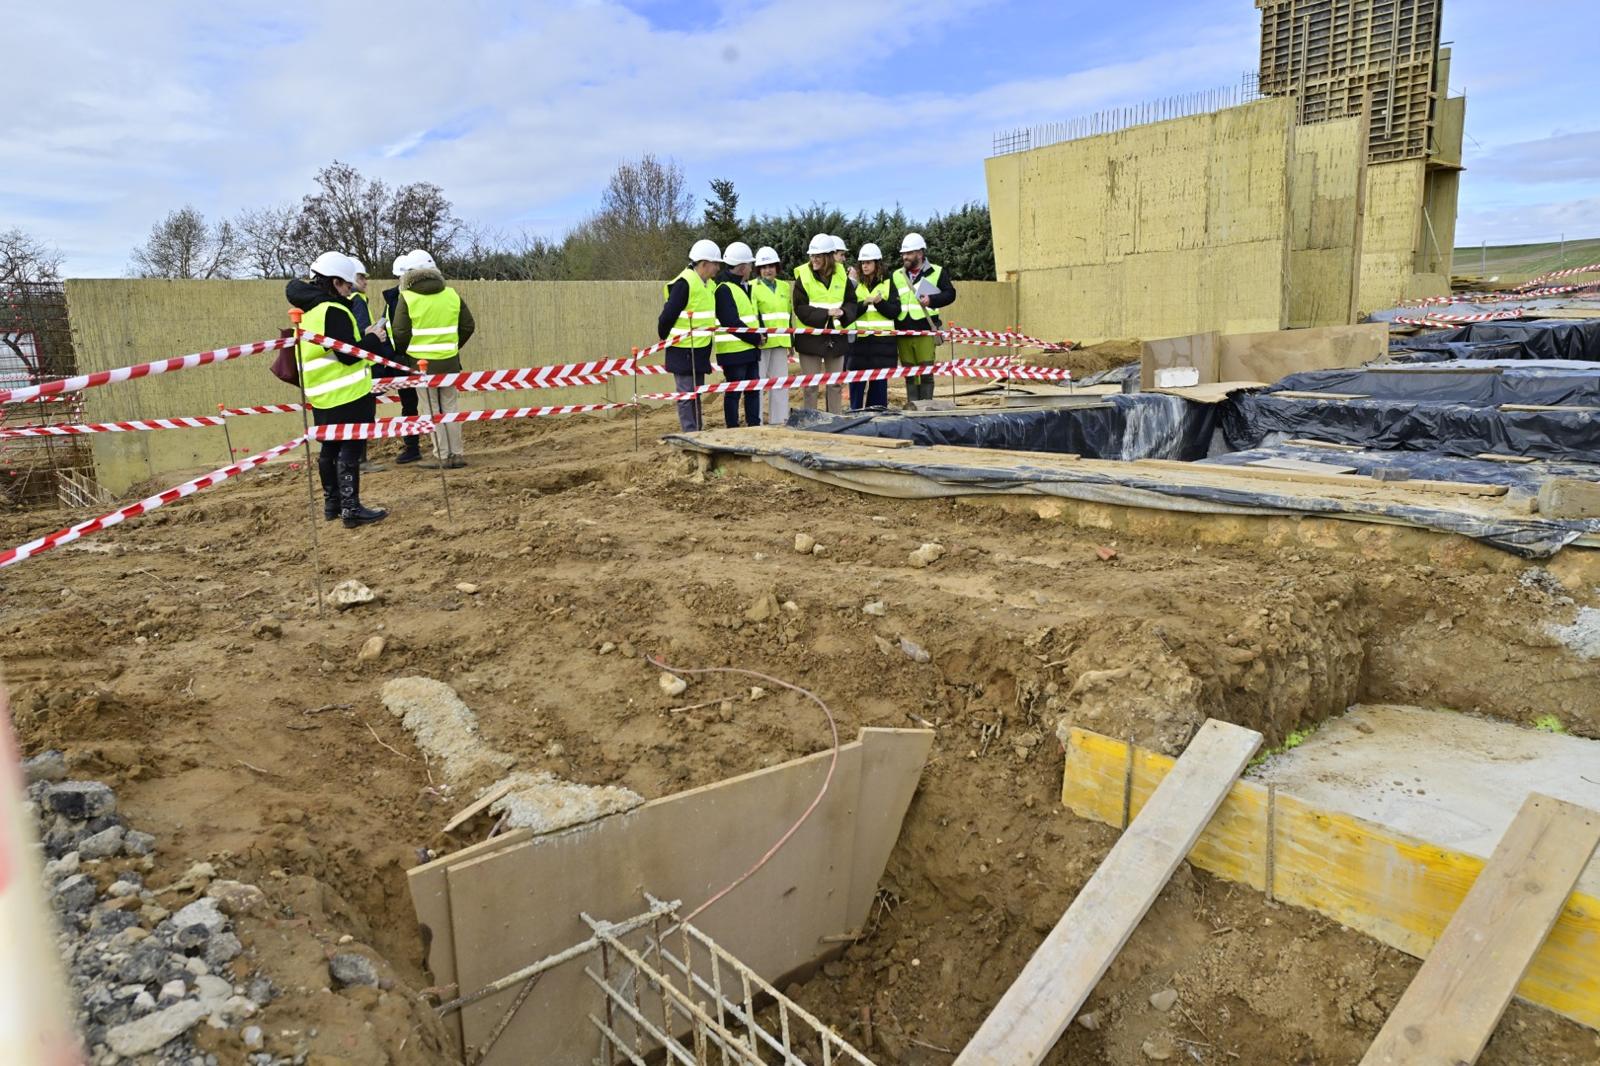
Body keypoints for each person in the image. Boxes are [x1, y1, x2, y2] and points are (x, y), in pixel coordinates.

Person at [285, 252, 388, 527]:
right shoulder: (334, 310)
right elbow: (349, 355)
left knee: (329, 449)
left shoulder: (309, 313)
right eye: (345, 285)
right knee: (350, 450)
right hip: (348, 394)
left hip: (321, 395)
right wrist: (372, 339)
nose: (348, 291)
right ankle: (351, 509)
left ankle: (333, 505)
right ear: (333, 282)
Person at [392, 250, 476, 469]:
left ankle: (442, 455)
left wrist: (406, 353)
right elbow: (468, 325)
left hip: (421, 366)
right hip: (449, 363)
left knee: (431, 410)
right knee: (450, 407)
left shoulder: (407, 297)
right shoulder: (451, 294)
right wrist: (452, 347)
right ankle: (457, 454)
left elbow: (400, 332)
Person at [656, 239, 721, 431]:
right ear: (703, 264)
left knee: (696, 393)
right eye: (715, 264)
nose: (717, 268)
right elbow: (667, 316)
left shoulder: (709, 285)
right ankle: (690, 433)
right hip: (683, 349)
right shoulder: (684, 283)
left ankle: (697, 430)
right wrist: (666, 337)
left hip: (700, 348)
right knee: (686, 395)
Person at [791, 233, 859, 413]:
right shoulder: (803, 276)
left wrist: (844, 312)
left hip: (836, 337)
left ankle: (834, 419)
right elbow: (800, 308)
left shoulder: (842, 276)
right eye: (812, 256)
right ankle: (811, 421)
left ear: (828, 257)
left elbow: (852, 302)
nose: (814, 259)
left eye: (818, 256)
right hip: (810, 338)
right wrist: (826, 314)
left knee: (835, 384)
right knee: (811, 386)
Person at [893, 232, 957, 405]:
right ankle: (913, 406)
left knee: (926, 373)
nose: (905, 257)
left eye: (909, 253)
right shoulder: (897, 275)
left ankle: (926, 407)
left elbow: (950, 294)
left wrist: (932, 300)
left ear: (920, 254)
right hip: (904, 332)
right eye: (903, 254)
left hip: (925, 331)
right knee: (910, 374)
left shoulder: (936, 272)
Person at [378, 252, 424, 465]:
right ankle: (412, 446)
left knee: (412, 404)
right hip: (403, 359)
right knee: (411, 404)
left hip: (403, 358)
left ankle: (413, 446)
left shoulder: (397, 298)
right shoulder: (395, 299)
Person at [713, 242, 764, 428]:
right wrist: (756, 338)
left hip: (749, 350)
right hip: (734, 352)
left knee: (752, 390)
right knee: (734, 392)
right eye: (750, 265)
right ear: (742, 267)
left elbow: (750, 317)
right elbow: (731, 322)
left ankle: (753, 426)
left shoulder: (744, 286)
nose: (751, 268)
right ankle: (732, 429)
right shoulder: (724, 289)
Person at [846, 243, 901, 410]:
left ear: (877, 264)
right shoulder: (855, 285)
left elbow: (895, 312)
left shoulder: (889, 283)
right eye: (863, 263)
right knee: (856, 387)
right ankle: (855, 416)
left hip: (882, 346)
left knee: (878, 392)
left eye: (868, 262)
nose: (865, 266)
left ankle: (876, 419)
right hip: (859, 346)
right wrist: (865, 303)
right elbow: (849, 312)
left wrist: (879, 303)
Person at [749, 246, 792, 426]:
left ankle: (780, 421)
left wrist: (792, 342)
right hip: (762, 343)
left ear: (777, 267)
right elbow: (753, 314)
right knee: (758, 386)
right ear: (758, 269)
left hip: (781, 341)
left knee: (780, 384)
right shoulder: (752, 287)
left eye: (771, 266)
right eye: (764, 267)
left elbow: (788, 315)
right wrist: (758, 334)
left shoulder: (783, 286)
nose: (768, 270)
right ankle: (757, 422)